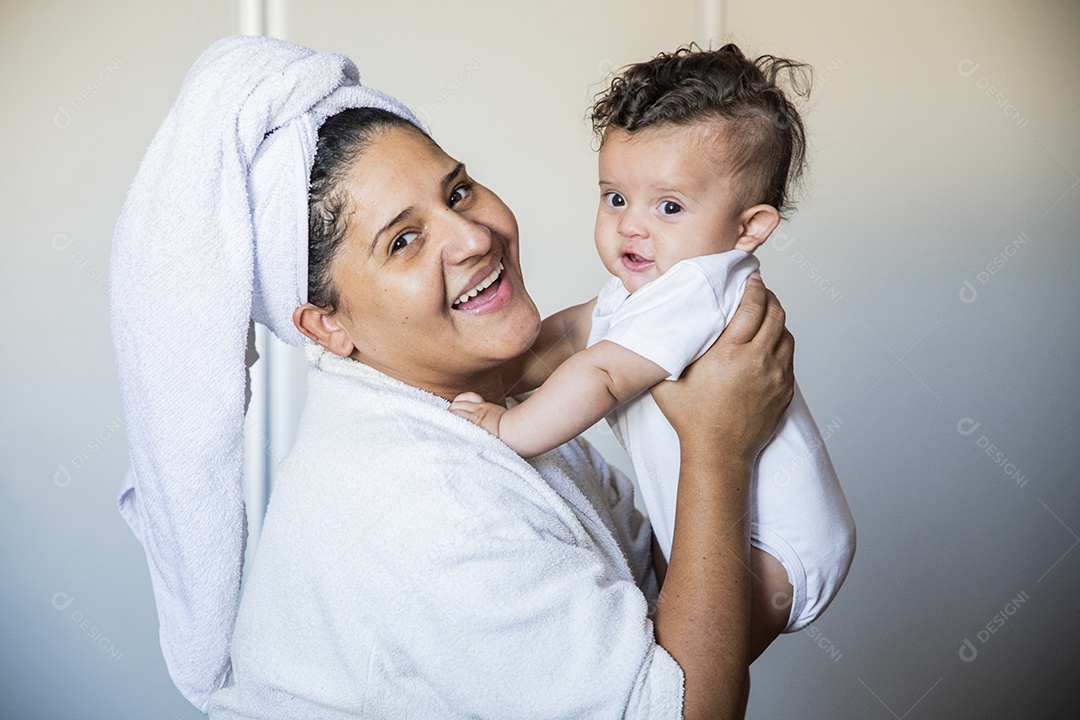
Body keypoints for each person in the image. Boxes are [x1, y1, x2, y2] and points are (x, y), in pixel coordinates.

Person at [110, 37, 793, 720]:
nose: (472, 238)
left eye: (458, 191)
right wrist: (718, 446)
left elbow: (673, 619)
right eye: (403, 240)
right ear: (326, 326)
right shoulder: (424, 508)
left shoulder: (487, 408)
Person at [449, 44, 856, 653]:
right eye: (615, 197)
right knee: (675, 625)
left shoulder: (697, 285)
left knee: (691, 663)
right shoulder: (648, 285)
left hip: (780, 546)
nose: (630, 225)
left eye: (668, 207)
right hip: (726, 525)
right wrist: (491, 378)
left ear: (748, 229)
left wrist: (507, 429)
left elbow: (603, 373)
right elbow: (568, 337)